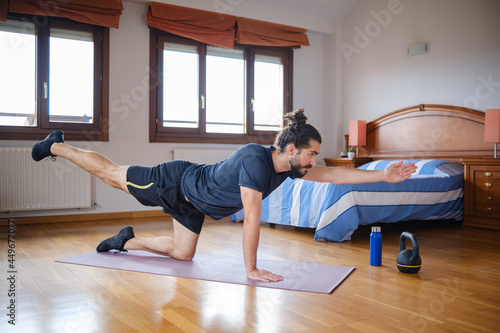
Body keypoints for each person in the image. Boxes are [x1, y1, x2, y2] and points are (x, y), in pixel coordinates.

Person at [31, 109, 417, 282]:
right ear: (291, 148)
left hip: (192, 206)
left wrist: (382, 173)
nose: (315, 159)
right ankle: (56, 146)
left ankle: (126, 241)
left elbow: (331, 174)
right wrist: (249, 270)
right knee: (113, 175)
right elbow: (251, 216)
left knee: (183, 254)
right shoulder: (255, 159)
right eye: (311, 152)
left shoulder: (289, 167)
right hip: (175, 182)